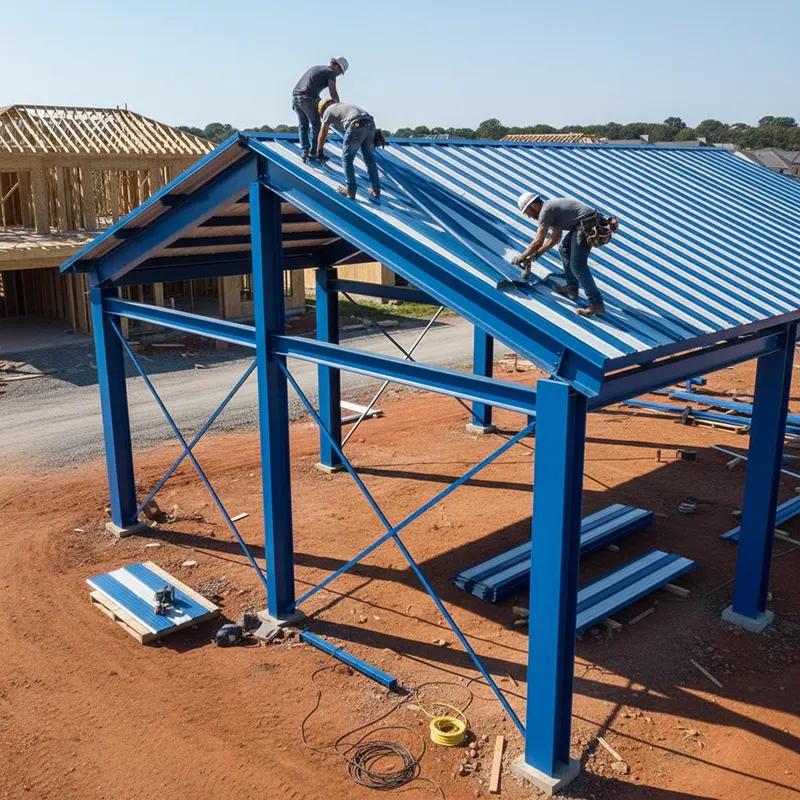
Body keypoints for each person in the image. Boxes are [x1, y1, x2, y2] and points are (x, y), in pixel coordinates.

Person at [512, 192, 617, 317]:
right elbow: (555, 238)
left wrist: (521, 257)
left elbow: (538, 242)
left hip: (586, 225)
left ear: (533, 205)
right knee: (564, 248)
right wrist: (536, 256)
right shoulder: (551, 209)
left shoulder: (545, 211)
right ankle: (572, 288)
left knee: (578, 265)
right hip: (583, 224)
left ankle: (596, 304)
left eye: (527, 212)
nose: (528, 216)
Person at [316, 100, 381, 200]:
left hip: (356, 125)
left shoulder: (328, 111)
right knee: (369, 159)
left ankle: (350, 190)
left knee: (347, 159)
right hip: (371, 124)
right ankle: (375, 190)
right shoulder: (343, 106)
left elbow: (323, 134)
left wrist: (319, 151)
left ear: (322, 110)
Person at [291, 57, 349, 162]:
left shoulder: (318, 68)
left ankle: (305, 150)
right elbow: (333, 91)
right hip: (307, 98)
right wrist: (339, 108)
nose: (339, 74)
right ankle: (314, 152)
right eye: (340, 71)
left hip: (296, 96)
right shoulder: (330, 72)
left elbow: (310, 86)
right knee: (316, 125)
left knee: (303, 125)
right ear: (336, 66)